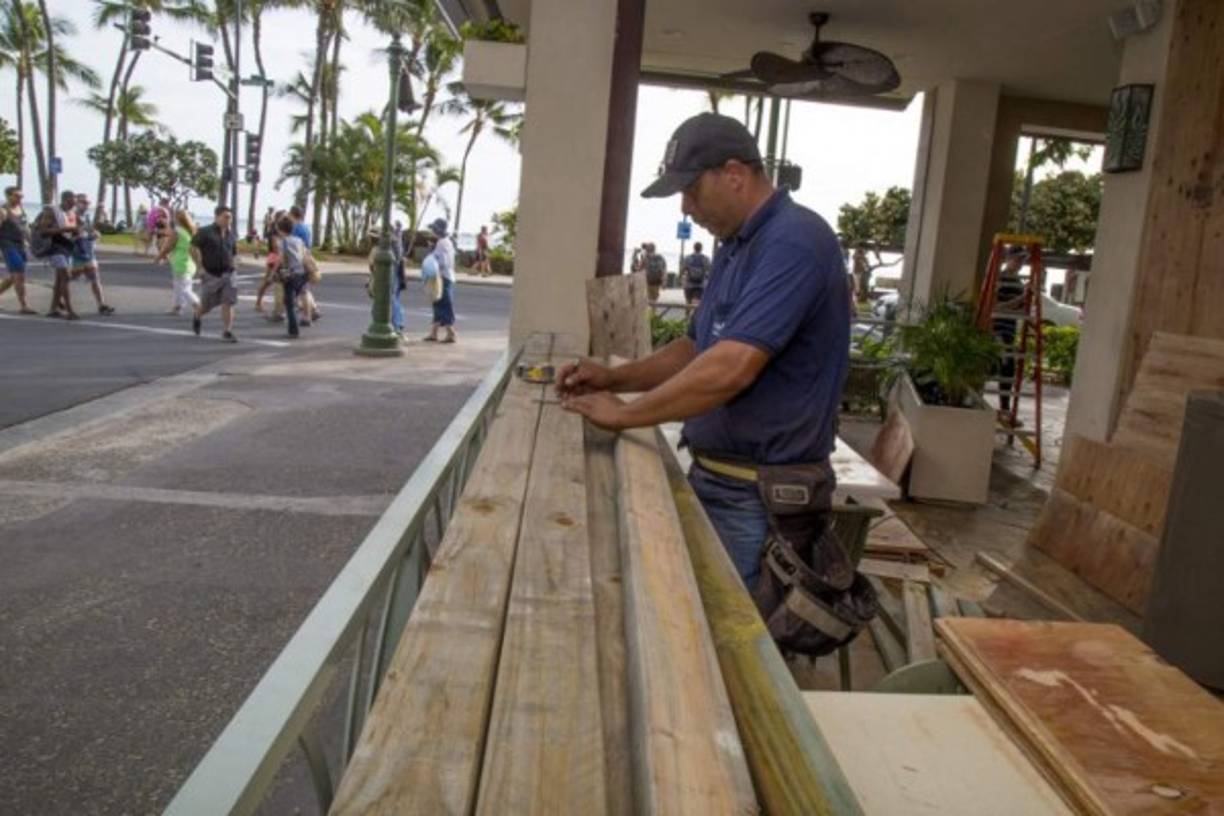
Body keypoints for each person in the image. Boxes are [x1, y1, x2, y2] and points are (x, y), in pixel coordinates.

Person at [558, 112, 851, 597]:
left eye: (692, 191)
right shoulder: (736, 247)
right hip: (722, 480)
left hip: (758, 497)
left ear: (734, 175)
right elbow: (696, 349)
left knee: (729, 648)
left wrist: (626, 415)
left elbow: (730, 368)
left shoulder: (795, 240)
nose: (686, 208)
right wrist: (613, 379)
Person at [190, 205, 239, 342]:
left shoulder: (231, 234)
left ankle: (227, 330)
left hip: (228, 274)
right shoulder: (205, 232)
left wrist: (235, 264)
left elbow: (234, 253)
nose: (228, 220)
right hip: (211, 274)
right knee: (206, 306)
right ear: (217, 217)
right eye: (226, 217)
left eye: (230, 217)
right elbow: (193, 247)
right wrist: (200, 267)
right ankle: (197, 315)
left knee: (227, 302)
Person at [993, 249, 1028, 424]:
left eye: (1023, 260)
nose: (1020, 263)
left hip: (1009, 329)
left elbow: (1018, 309)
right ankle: (1004, 411)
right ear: (1008, 258)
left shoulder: (1019, 282)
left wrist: (1026, 304)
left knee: (1007, 368)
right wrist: (1020, 299)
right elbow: (996, 307)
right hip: (997, 329)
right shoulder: (999, 278)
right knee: (1005, 366)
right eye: (1017, 259)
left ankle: (1004, 410)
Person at [70, 193, 115, 315]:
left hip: (88, 251)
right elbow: (70, 233)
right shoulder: (71, 215)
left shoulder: (86, 216)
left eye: (87, 203)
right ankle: (58, 296)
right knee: (71, 277)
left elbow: (88, 230)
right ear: (76, 203)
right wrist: (78, 235)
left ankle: (101, 305)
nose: (86, 205)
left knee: (95, 278)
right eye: (83, 202)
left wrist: (94, 234)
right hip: (75, 253)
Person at [43, 190, 81, 319]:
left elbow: (72, 230)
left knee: (60, 280)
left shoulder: (72, 213)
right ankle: (70, 310)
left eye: (74, 203)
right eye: (71, 203)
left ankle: (53, 309)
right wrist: (64, 229)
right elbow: (44, 231)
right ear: (64, 200)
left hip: (67, 247)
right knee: (65, 276)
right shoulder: (52, 211)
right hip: (54, 247)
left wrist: (76, 233)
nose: (73, 206)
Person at [0, 186, 37, 314]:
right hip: (8, 245)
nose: (20, 199)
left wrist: (32, 242)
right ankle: (24, 305)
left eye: (21, 196)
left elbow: (26, 227)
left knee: (13, 277)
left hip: (21, 245)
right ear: (8, 196)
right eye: (17, 196)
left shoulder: (21, 209)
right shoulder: (3, 211)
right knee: (19, 275)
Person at [155, 209, 200, 315]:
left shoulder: (177, 231)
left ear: (176, 219)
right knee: (179, 286)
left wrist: (159, 257)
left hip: (180, 262)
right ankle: (177, 307)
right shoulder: (190, 231)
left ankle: (197, 304)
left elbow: (168, 247)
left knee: (183, 288)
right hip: (189, 263)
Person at [275, 215, 310, 338]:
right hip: (302, 273)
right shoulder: (298, 240)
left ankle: (293, 330)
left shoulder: (282, 242)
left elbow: (280, 259)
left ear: (280, 230)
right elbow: (305, 255)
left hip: (290, 274)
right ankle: (306, 315)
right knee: (301, 295)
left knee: (289, 302)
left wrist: (274, 271)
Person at [423, 217, 456, 343]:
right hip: (444, 276)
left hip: (443, 277)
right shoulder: (444, 242)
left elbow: (444, 262)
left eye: (433, 229)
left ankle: (451, 333)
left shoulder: (442, 243)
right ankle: (434, 332)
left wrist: (433, 258)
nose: (432, 231)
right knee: (437, 303)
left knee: (443, 304)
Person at [288, 205, 319, 322]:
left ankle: (308, 314)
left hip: (299, 260)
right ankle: (314, 309)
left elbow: (294, 246)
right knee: (304, 288)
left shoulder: (295, 229)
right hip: (307, 258)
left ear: (292, 215)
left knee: (302, 289)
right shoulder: (305, 228)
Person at [680, 240, 710, 305]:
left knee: (688, 302)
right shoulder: (705, 258)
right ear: (701, 248)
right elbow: (709, 271)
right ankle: (694, 314)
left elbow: (683, 270)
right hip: (700, 284)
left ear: (694, 247)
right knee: (696, 303)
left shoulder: (688, 258)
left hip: (689, 284)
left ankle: (687, 314)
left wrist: (682, 280)